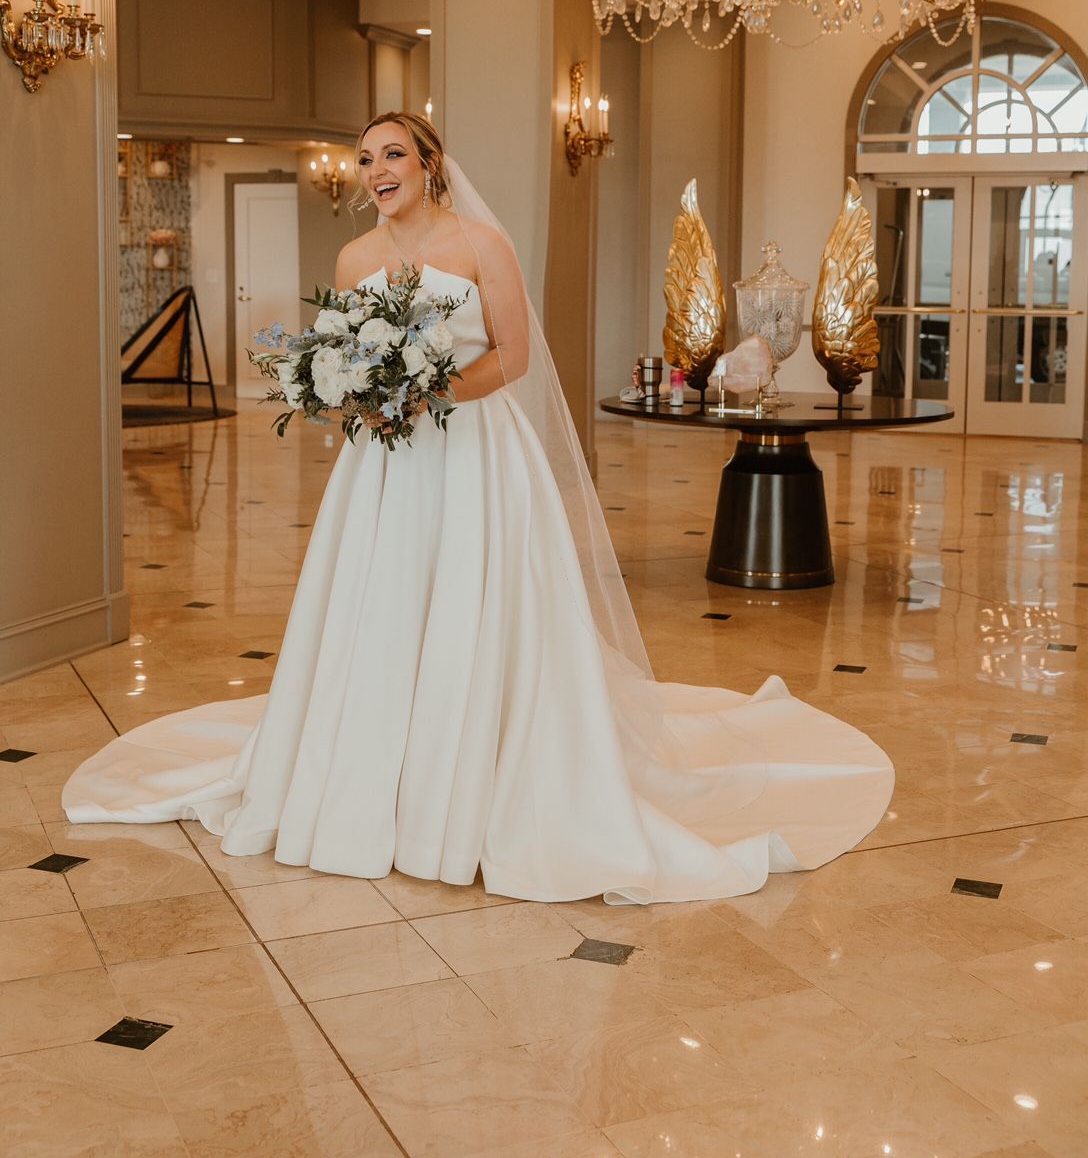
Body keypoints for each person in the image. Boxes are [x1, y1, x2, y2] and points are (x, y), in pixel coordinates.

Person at [63, 112, 893, 904]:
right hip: (383, 466)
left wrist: (430, 396)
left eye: (392, 155)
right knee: (381, 604)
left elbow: (516, 354)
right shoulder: (355, 258)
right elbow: (344, 355)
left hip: (471, 451)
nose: (376, 170)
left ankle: (475, 772)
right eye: (365, 159)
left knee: (475, 599)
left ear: (428, 164)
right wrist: (352, 395)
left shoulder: (482, 244)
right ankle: (372, 771)